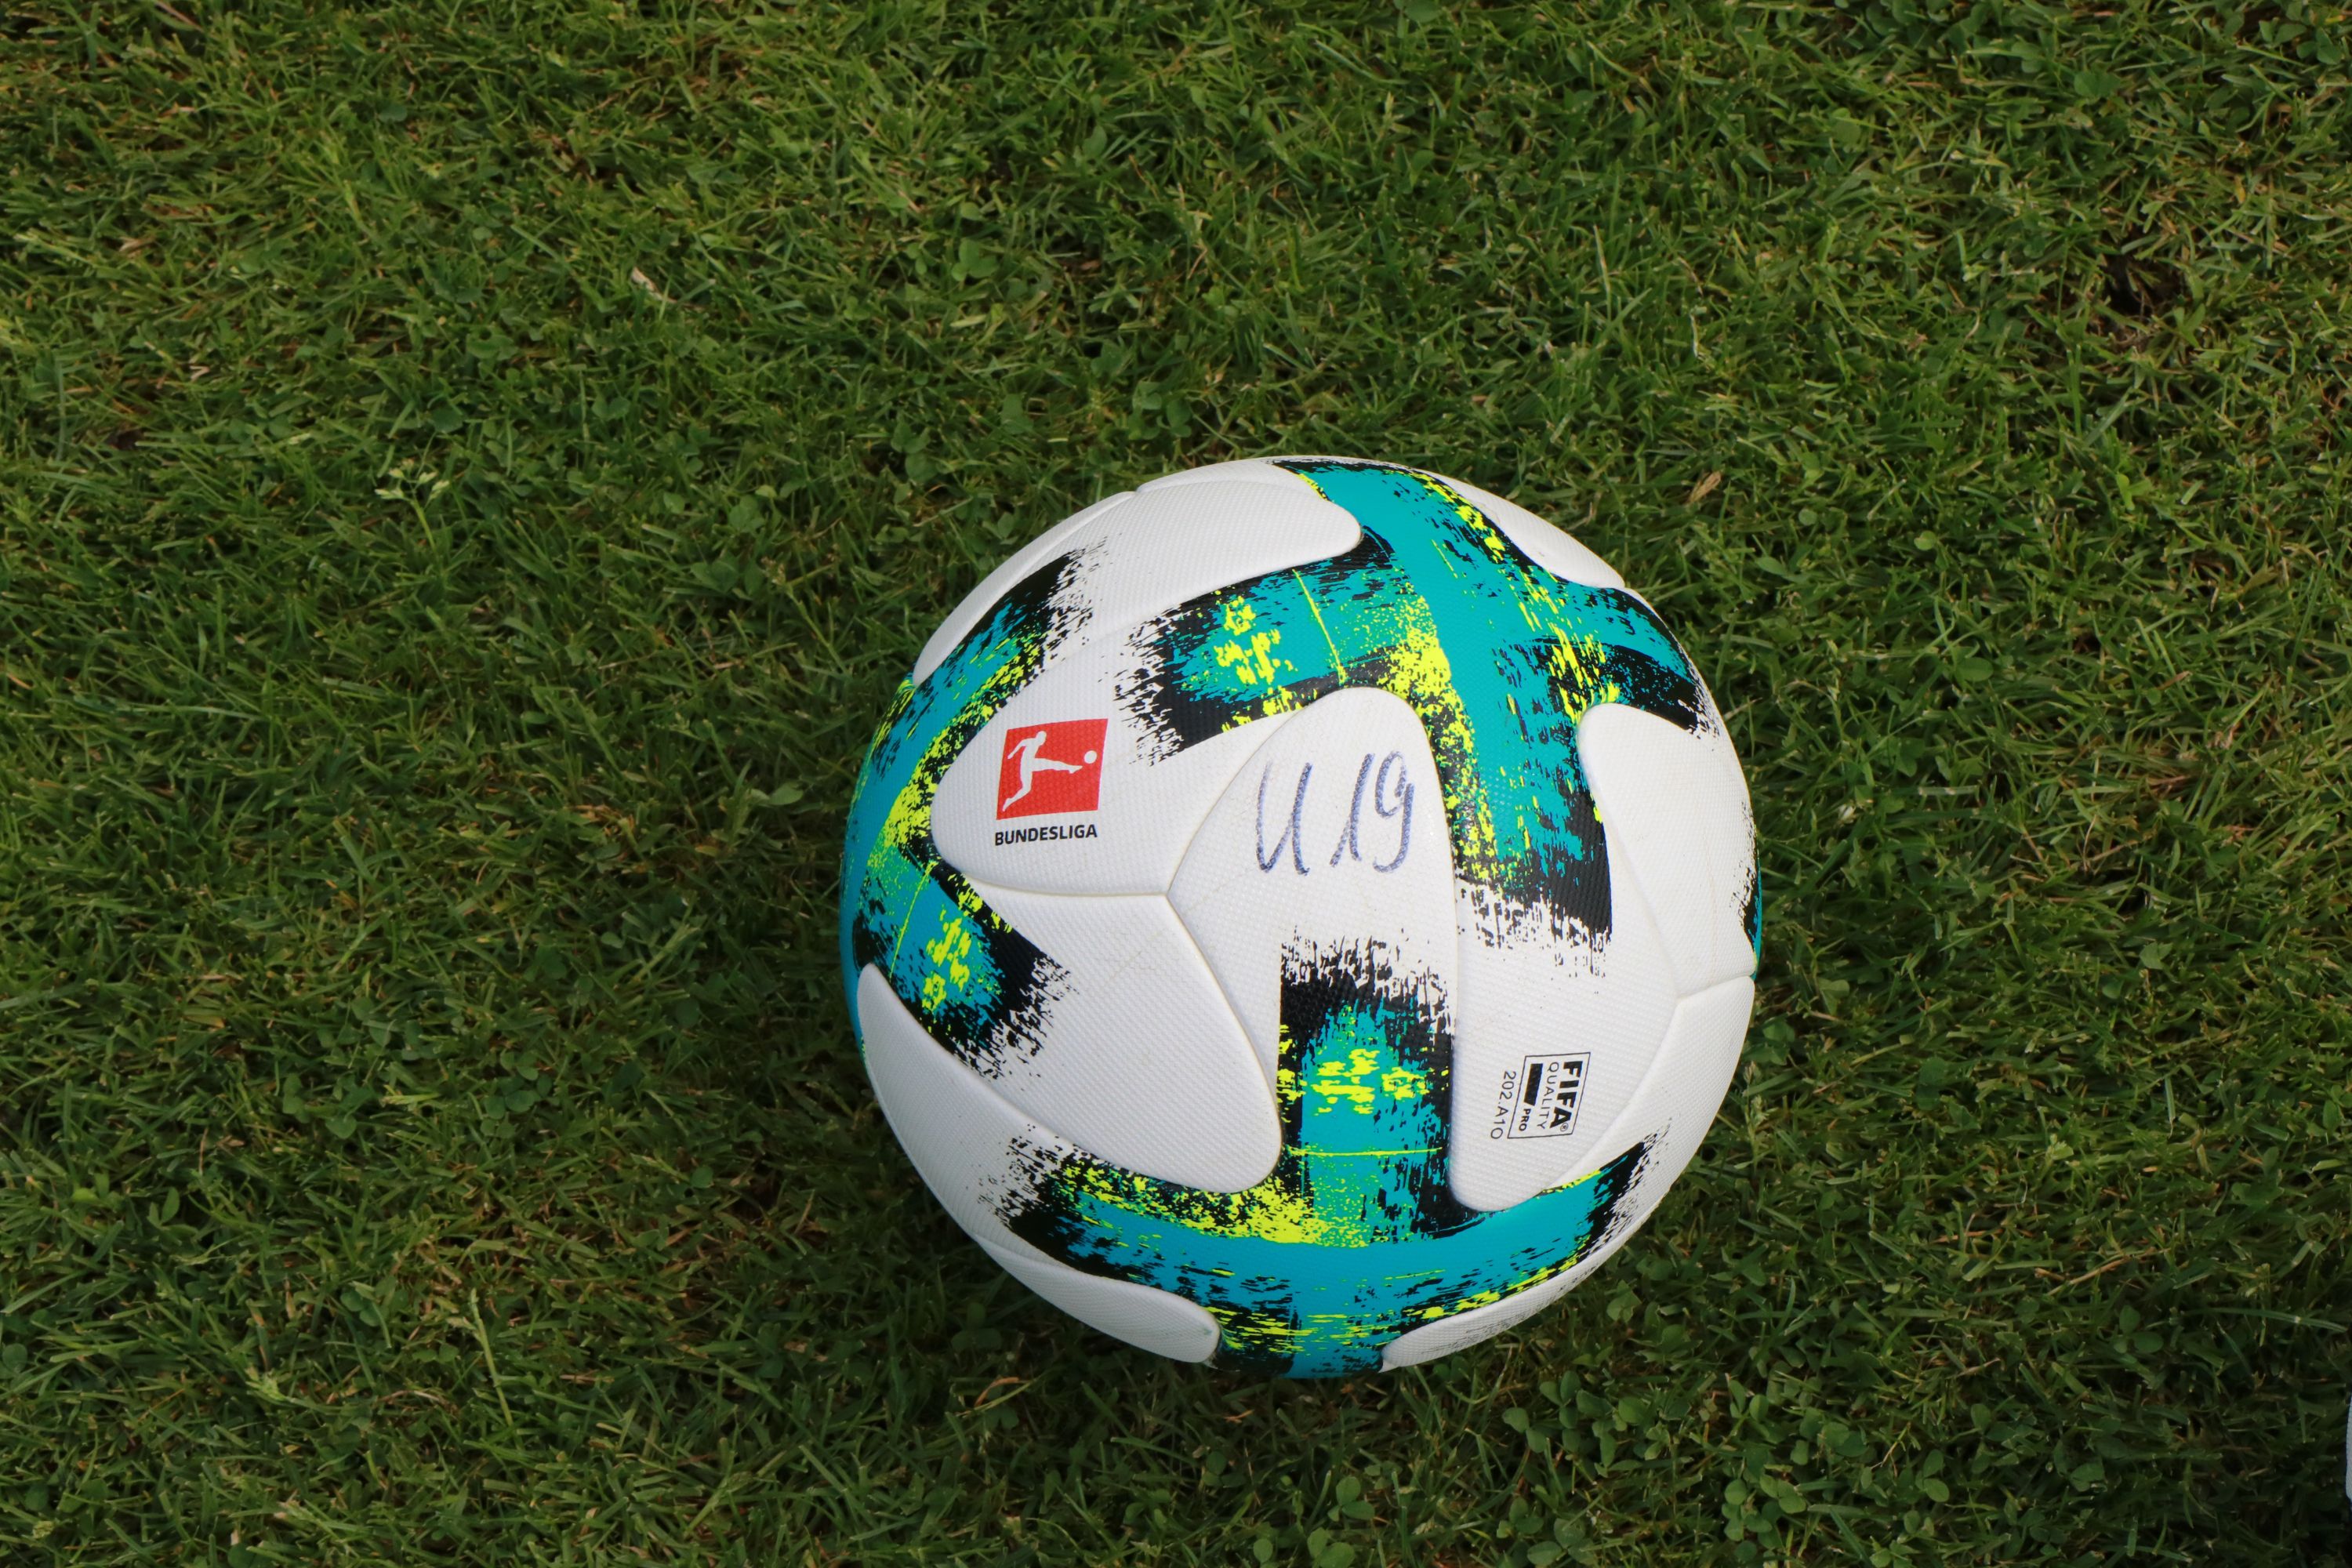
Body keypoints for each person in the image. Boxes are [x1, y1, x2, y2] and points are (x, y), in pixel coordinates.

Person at [1002, 729, 1094, 808]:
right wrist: (1012, 754)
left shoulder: (1035, 743)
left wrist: (1012, 754)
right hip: (1029, 763)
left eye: (1044, 739)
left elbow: (1021, 744)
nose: (1044, 741)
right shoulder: (1032, 741)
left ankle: (1009, 801)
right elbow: (1022, 743)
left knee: (1027, 788)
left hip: (1028, 765)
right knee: (1052, 764)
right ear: (1039, 737)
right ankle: (1070, 768)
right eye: (1043, 738)